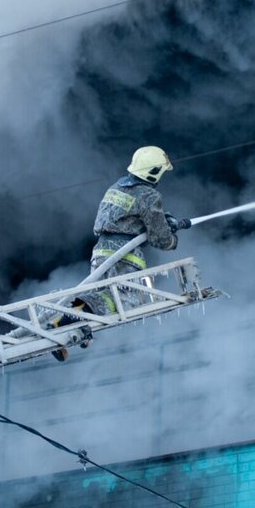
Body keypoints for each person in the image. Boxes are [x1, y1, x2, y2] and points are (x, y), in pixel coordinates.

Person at [44, 146, 191, 360]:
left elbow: (126, 218)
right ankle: (69, 320)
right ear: (154, 171)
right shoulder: (149, 195)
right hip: (125, 256)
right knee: (125, 302)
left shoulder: (116, 188)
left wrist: (162, 220)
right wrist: (172, 238)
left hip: (101, 252)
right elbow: (160, 239)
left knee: (101, 295)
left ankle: (68, 321)